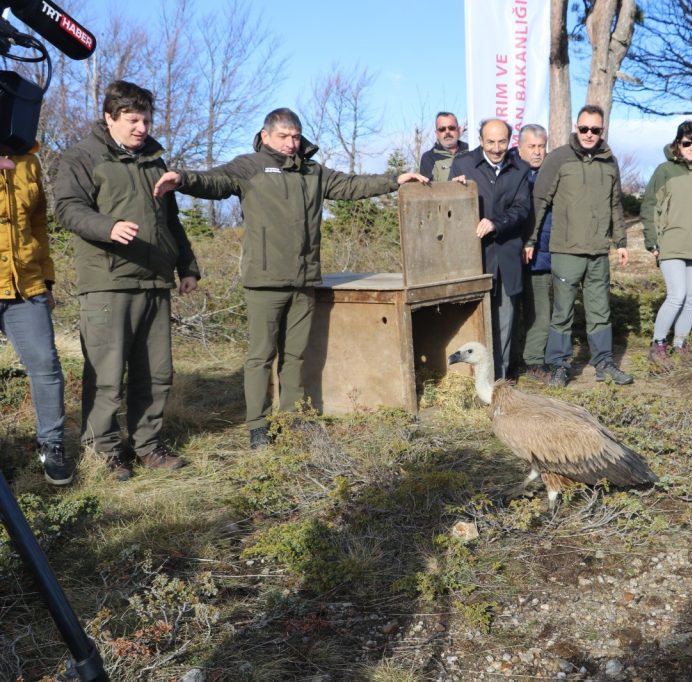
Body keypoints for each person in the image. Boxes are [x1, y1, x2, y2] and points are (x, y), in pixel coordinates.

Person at [154, 108, 427, 448]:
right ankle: (258, 427)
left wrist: (394, 179)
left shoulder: (312, 171)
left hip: (304, 280)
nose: (290, 143)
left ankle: (292, 420)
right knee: (261, 356)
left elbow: (351, 185)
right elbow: (214, 181)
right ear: (266, 136)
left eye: (295, 136)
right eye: (283, 136)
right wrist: (182, 178)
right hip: (265, 281)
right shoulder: (250, 167)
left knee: (296, 355)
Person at [55, 80, 200, 480]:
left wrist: (187, 266)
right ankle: (103, 451)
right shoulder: (82, 156)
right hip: (108, 282)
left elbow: (171, 221)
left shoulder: (155, 161)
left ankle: (148, 445)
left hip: (154, 281)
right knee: (106, 376)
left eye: (146, 120)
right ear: (109, 117)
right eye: (133, 120)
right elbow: (67, 208)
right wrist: (108, 226)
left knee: (156, 373)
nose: (141, 128)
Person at [530, 104, 632, 387]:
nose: (589, 134)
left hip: (598, 251)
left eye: (594, 130)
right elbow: (540, 201)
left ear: (602, 130)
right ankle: (558, 366)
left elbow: (615, 204)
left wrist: (621, 242)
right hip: (566, 250)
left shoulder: (610, 162)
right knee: (562, 312)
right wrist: (530, 239)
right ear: (576, 127)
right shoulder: (558, 158)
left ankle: (604, 363)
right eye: (584, 128)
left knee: (600, 311)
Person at [0, 144, 71, 485]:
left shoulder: (28, 161)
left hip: (26, 285)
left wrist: (46, 280)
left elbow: (38, 224)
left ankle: (52, 446)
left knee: (46, 365)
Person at [451, 119, 531, 380]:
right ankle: (470, 382)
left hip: (506, 255)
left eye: (502, 142)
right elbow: (448, 208)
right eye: (491, 142)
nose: (497, 148)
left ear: (510, 141)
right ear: (480, 140)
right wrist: (454, 190)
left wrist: (496, 223)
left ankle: (499, 382)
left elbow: (522, 209)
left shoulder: (520, 168)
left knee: (504, 322)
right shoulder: (463, 164)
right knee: (473, 319)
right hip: (474, 258)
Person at [640, 121, 692, 369]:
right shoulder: (665, 171)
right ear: (678, 144)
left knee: (691, 298)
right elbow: (650, 206)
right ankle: (657, 345)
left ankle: (680, 344)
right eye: (687, 143)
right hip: (672, 244)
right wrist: (652, 241)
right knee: (677, 295)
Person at [516, 124, 554, 381]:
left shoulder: (551, 173)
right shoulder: (509, 173)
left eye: (541, 146)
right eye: (532, 146)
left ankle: (533, 361)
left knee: (540, 312)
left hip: (541, 254)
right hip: (510, 255)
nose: (537, 152)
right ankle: (510, 360)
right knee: (510, 313)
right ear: (520, 148)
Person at [419, 112, 468, 182]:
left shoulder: (471, 151)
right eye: (442, 129)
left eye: (451, 128)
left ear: (458, 129)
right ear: (436, 134)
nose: (447, 132)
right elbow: (427, 188)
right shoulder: (428, 158)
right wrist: (453, 185)